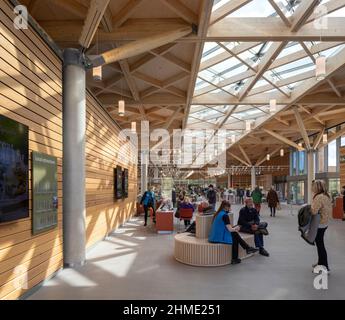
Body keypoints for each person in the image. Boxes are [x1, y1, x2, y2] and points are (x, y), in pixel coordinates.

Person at [209, 200, 258, 264]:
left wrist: (234, 229)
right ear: (225, 207)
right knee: (235, 234)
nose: (230, 208)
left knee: (235, 237)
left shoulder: (219, 213)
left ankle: (240, 255)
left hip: (214, 236)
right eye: (229, 207)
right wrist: (236, 228)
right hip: (219, 237)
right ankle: (247, 249)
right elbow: (230, 229)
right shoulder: (225, 215)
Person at [311, 180, 332, 273]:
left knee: (320, 245)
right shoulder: (327, 195)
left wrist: (308, 208)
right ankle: (320, 263)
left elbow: (314, 211)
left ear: (317, 187)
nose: (312, 188)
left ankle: (325, 267)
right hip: (324, 222)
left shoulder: (319, 197)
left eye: (313, 186)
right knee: (320, 244)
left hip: (319, 224)